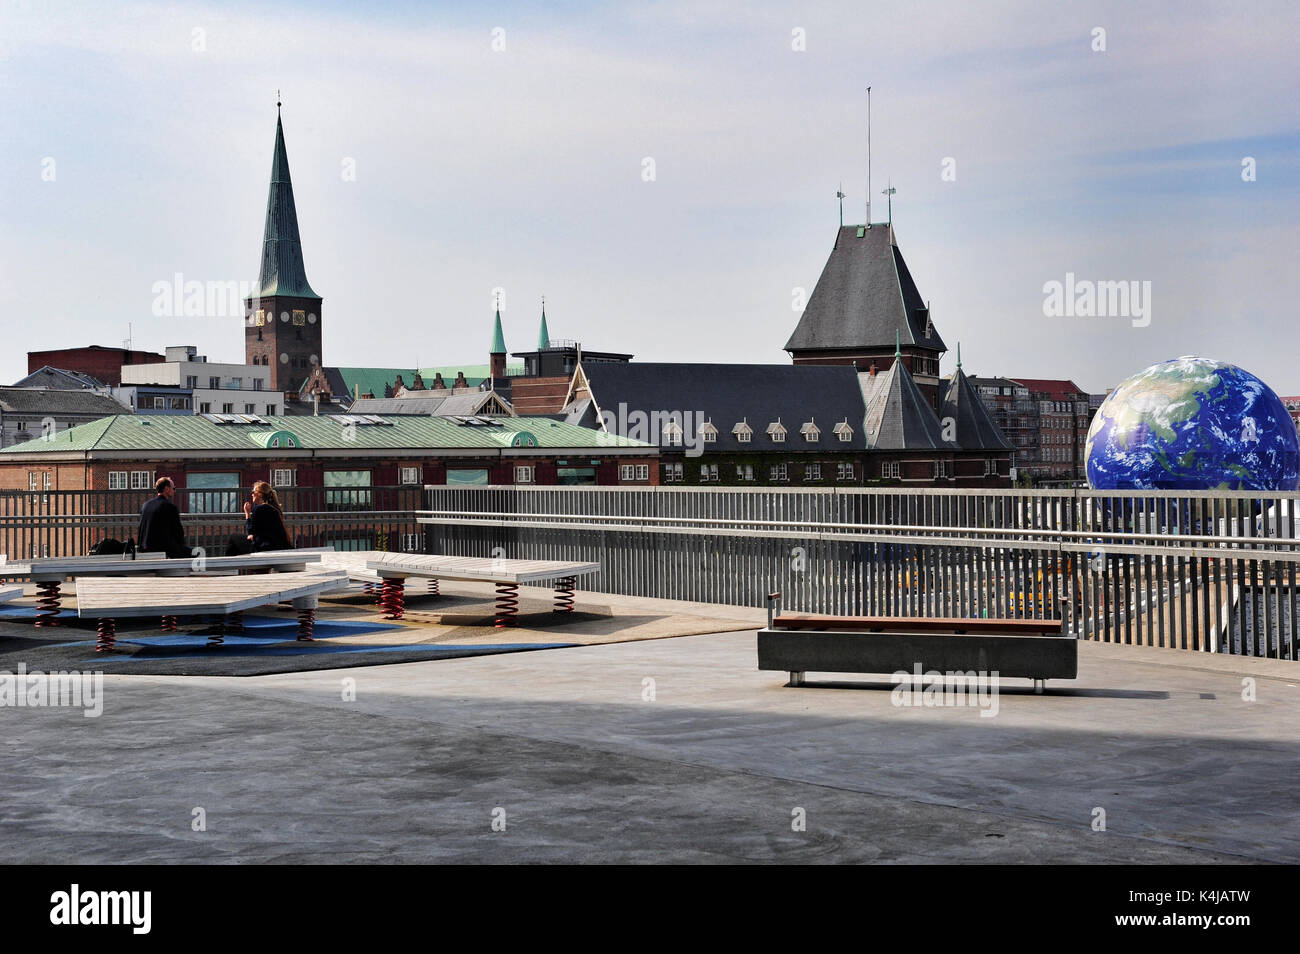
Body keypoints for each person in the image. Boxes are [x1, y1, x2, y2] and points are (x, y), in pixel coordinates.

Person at [137, 477, 190, 558]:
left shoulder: (146, 505)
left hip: (144, 548)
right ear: (166, 489)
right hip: (161, 550)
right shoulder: (170, 507)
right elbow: (178, 533)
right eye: (173, 488)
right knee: (194, 553)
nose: (174, 491)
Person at [243, 481, 293, 552]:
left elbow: (251, 531)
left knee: (234, 538)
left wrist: (247, 514)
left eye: (253, 492)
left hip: (265, 547)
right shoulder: (275, 508)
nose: (252, 495)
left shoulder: (258, 509)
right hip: (279, 546)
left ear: (260, 494)